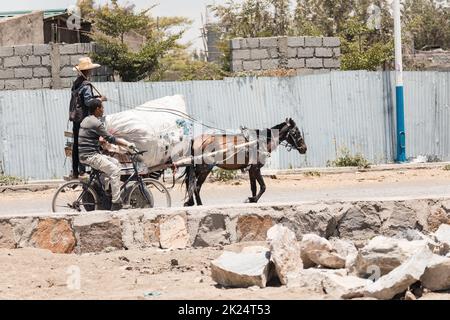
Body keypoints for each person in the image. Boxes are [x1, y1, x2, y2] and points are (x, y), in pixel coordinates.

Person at [78, 99, 136, 211]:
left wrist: (100, 142)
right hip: (91, 156)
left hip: (86, 154)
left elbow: (90, 137)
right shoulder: (96, 123)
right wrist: (127, 144)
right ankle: (116, 202)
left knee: (115, 163)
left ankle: (108, 189)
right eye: (102, 108)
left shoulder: (86, 120)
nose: (103, 110)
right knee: (114, 171)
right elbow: (111, 138)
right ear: (97, 109)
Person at [70, 57, 107, 179]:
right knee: (86, 144)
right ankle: (83, 171)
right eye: (90, 70)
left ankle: (75, 171)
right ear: (88, 71)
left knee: (76, 144)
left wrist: (95, 96)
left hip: (75, 118)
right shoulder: (86, 85)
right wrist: (99, 99)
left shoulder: (76, 84)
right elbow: (88, 102)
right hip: (83, 120)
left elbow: (81, 99)